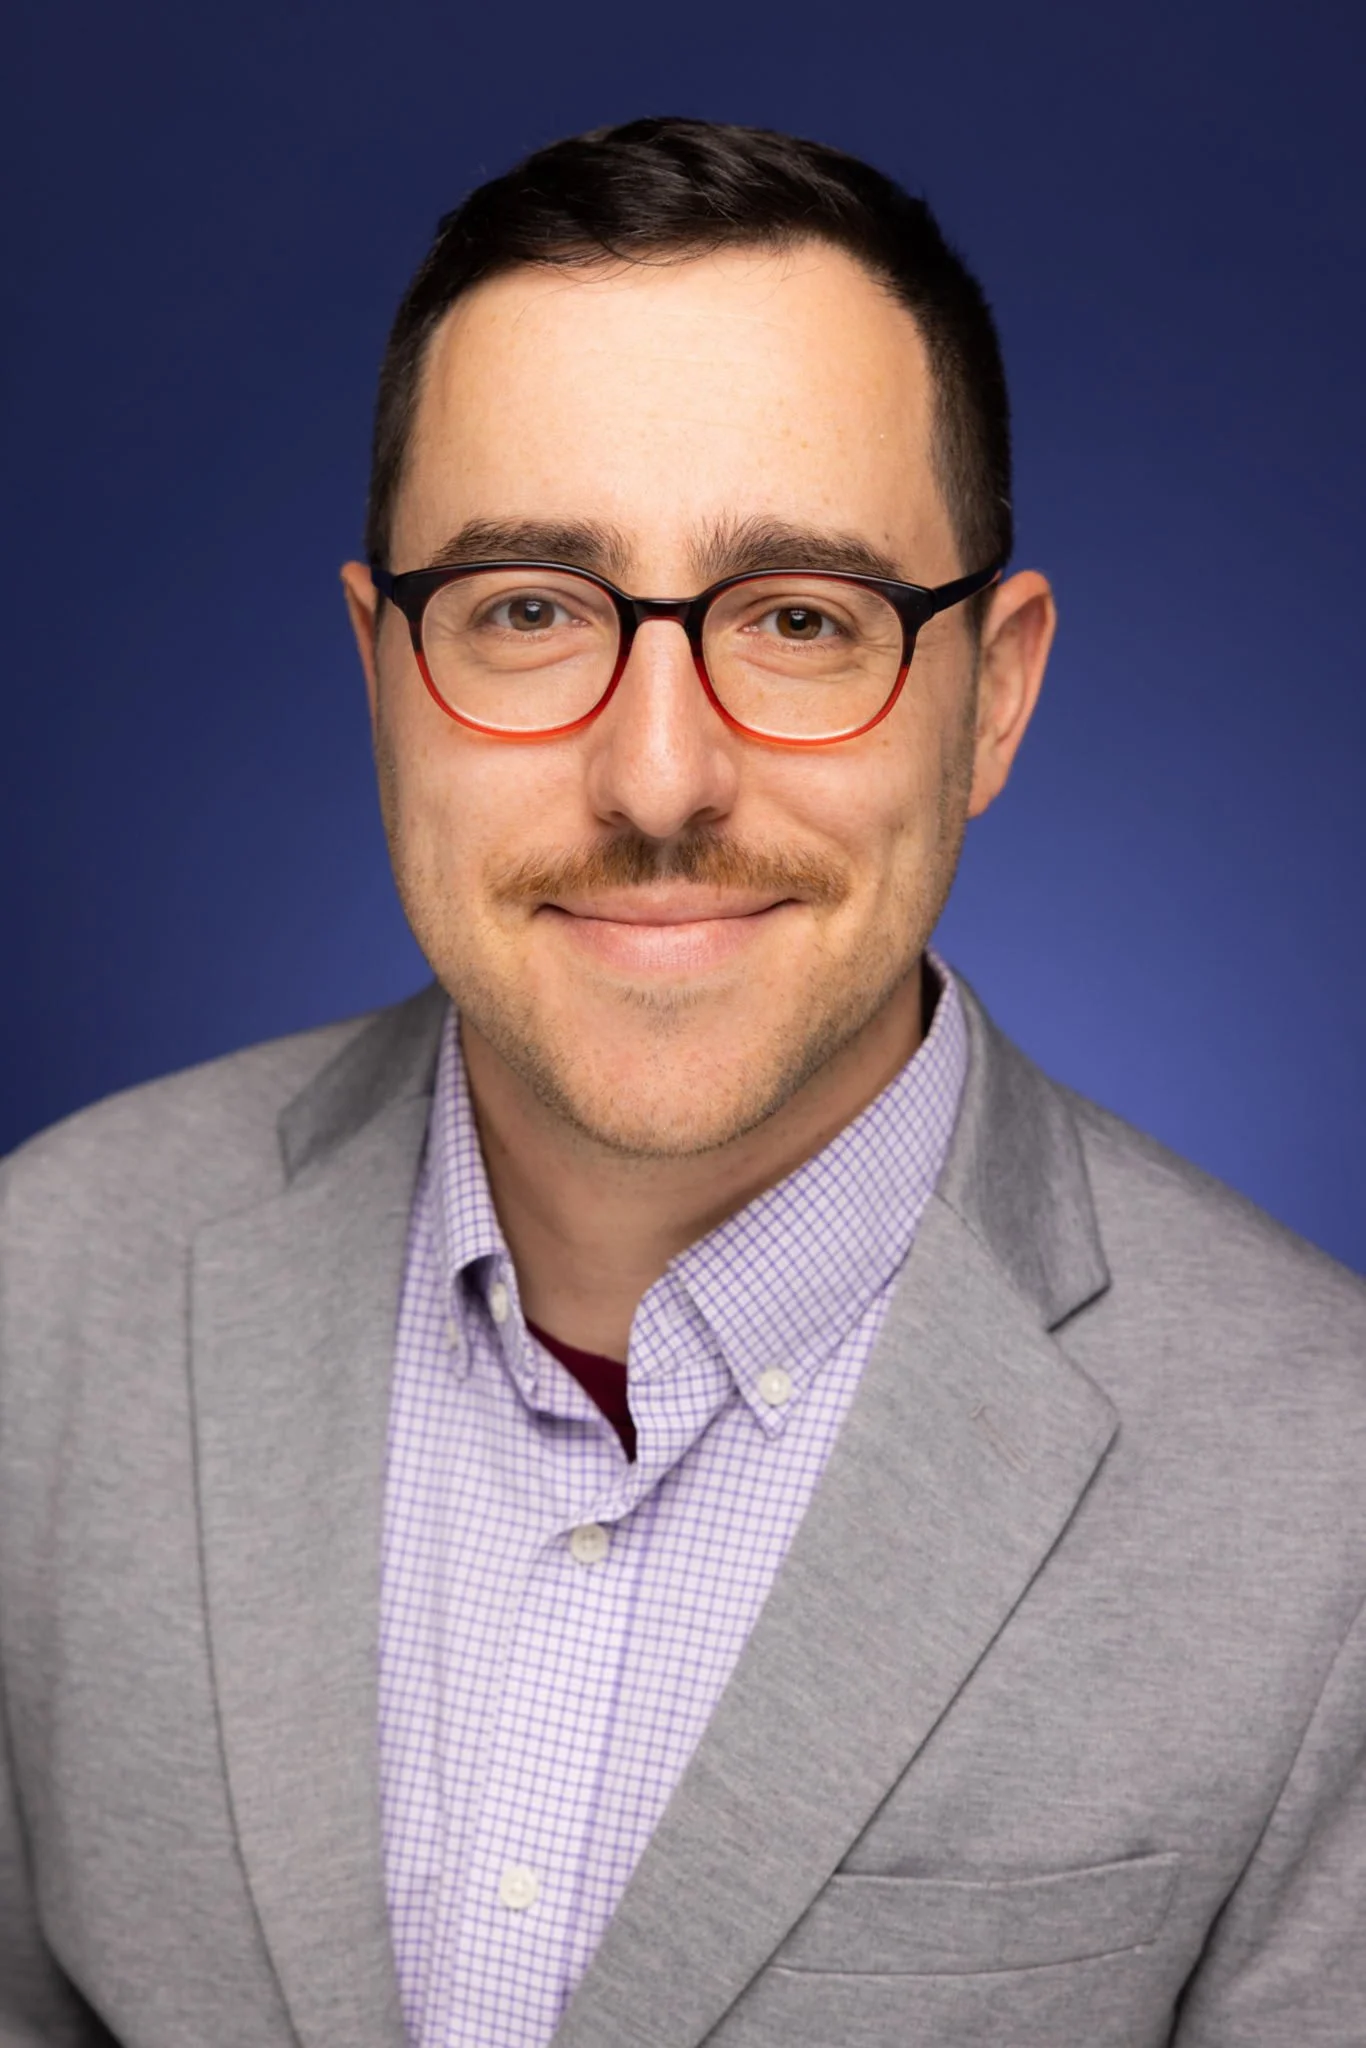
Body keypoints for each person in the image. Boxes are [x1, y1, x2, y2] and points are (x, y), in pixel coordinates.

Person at [1, 113, 1363, 2048]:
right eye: (528, 610)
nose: (656, 780)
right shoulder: (39, 1298)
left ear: (994, 695)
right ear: (380, 673)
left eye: (804, 619)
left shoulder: (1335, 1505)